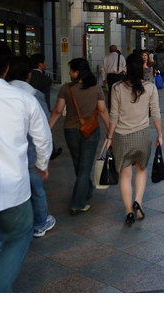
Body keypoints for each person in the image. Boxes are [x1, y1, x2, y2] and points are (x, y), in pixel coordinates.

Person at [0, 41, 52, 293]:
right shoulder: (22, 98)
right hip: (12, 186)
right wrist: (41, 165)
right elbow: (42, 138)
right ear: (6, 68)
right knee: (19, 235)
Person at [106, 52, 163, 226]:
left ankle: (129, 211)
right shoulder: (150, 88)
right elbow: (155, 113)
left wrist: (109, 136)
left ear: (126, 68)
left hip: (121, 137)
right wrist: (160, 134)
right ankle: (137, 201)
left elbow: (113, 115)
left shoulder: (116, 88)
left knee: (125, 175)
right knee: (141, 170)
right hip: (142, 135)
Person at [49, 58, 110, 215]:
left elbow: (57, 111)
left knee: (79, 164)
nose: (69, 73)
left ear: (77, 72)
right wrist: (110, 130)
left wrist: (47, 128)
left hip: (70, 131)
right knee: (84, 167)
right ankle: (77, 203)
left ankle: (87, 189)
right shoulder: (96, 88)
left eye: (71, 70)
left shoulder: (66, 89)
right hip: (90, 131)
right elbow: (103, 110)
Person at [6, 56, 56, 238]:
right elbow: (42, 132)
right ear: (29, 75)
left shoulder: (2, 93)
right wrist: (43, 163)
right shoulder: (34, 95)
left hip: (5, 155)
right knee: (37, 191)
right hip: (30, 153)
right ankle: (40, 223)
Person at [30, 53, 62, 160]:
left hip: (27, 108)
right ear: (40, 64)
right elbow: (45, 98)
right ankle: (51, 150)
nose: (45, 63)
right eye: (44, 62)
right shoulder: (45, 79)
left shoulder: (28, 76)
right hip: (40, 108)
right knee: (46, 129)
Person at [101, 45, 127, 110]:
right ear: (116, 50)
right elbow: (124, 67)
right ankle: (120, 106)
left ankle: (111, 107)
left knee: (111, 91)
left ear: (110, 50)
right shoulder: (121, 57)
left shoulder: (106, 58)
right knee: (120, 91)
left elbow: (103, 69)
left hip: (109, 76)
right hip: (119, 76)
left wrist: (104, 78)